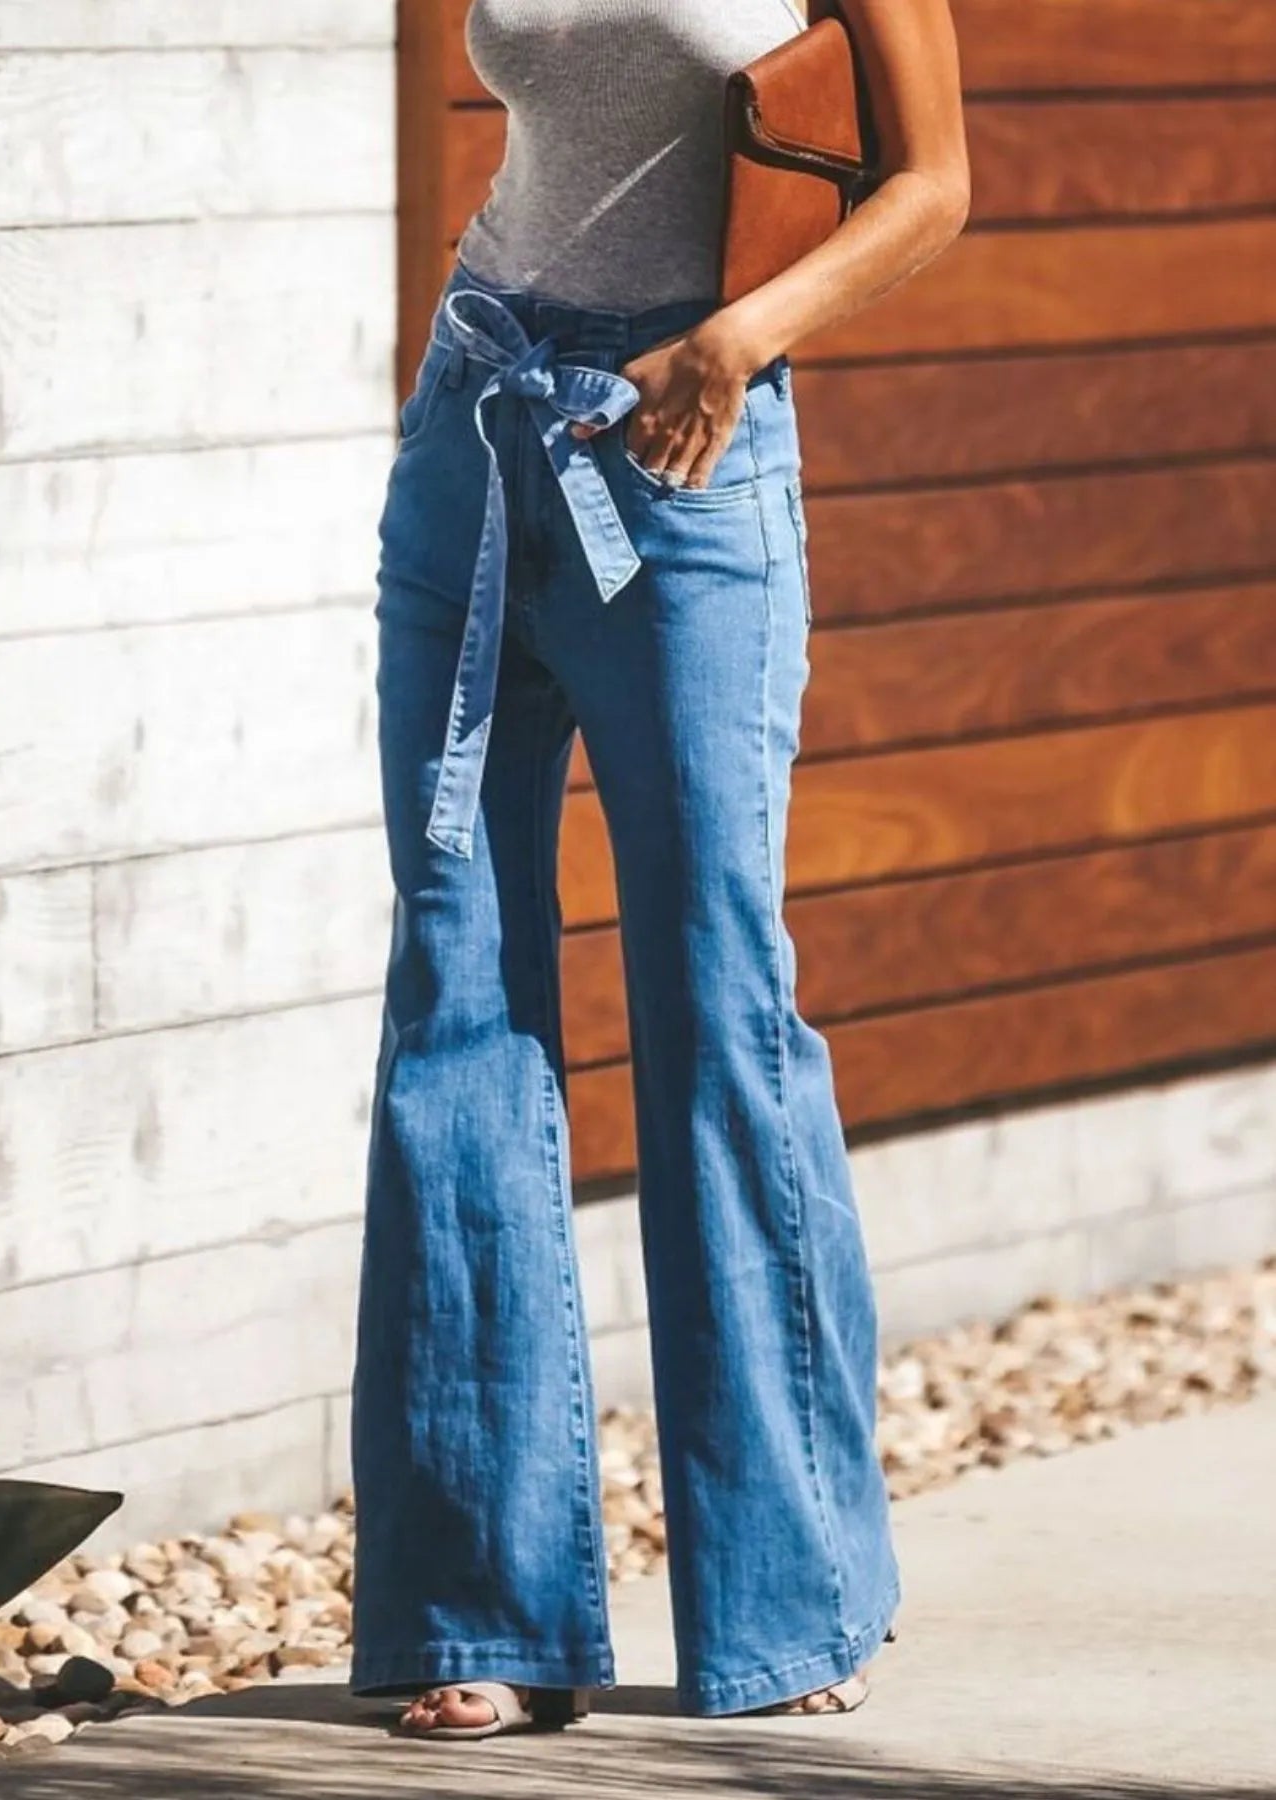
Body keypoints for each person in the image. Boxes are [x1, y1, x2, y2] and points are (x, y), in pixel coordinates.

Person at [349, 0, 970, 1741]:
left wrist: (737, 339)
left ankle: (789, 1595)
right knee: (452, 987)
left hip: (686, 449)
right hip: (475, 427)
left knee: (713, 999)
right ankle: (471, 1602)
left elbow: (931, 187)